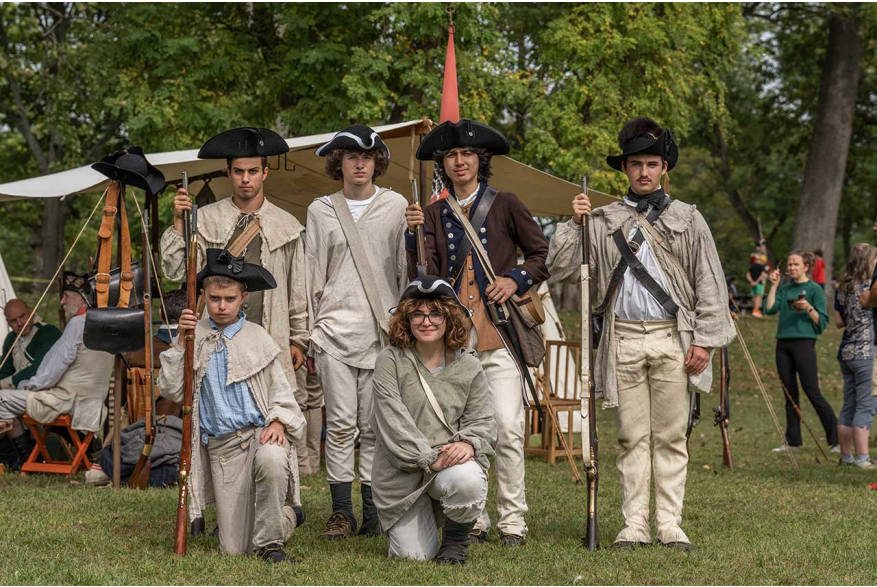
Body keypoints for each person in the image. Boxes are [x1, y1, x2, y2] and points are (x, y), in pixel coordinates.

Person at [547, 117, 735, 550]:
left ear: (664, 167)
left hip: (674, 338)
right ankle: (634, 526)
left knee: (671, 436)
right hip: (623, 339)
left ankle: (669, 525)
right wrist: (572, 225)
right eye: (636, 164)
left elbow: (709, 281)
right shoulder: (601, 218)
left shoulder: (688, 218)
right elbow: (561, 270)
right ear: (625, 168)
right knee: (631, 437)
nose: (644, 172)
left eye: (652, 163)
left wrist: (704, 340)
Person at [404, 119, 549, 546]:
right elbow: (424, 273)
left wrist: (515, 280)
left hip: (499, 336)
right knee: (463, 433)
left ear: (480, 160)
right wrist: (412, 234)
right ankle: (475, 517)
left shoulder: (506, 203)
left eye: (467, 154)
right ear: (443, 164)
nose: (459, 161)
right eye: (451, 155)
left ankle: (513, 521)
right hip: (454, 343)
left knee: (505, 426)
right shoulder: (432, 213)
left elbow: (540, 254)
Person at [160, 127, 314, 490]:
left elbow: (297, 288)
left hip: (267, 337)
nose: (246, 179)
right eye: (239, 171)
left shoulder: (286, 226)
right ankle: (204, 498)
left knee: (272, 416)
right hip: (214, 336)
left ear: (265, 172)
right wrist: (180, 224)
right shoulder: (206, 219)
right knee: (212, 419)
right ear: (229, 173)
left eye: (253, 171)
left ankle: (281, 497)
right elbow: (173, 270)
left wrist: (299, 339)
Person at [157, 248, 306, 563]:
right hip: (222, 450)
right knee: (235, 549)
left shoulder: (258, 338)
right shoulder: (193, 334)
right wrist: (182, 342)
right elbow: (170, 390)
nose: (221, 306)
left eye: (229, 299)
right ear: (204, 298)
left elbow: (282, 395)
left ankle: (272, 546)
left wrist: (278, 422)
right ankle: (289, 516)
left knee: (272, 459)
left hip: (258, 435)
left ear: (243, 298)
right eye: (214, 298)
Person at [306, 125, 408, 538]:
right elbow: (312, 274)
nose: (360, 163)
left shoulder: (398, 205)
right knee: (342, 424)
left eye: (367, 156)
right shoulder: (320, 209)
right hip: (333, 331)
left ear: (377, 161)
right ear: (339, 163)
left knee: (373, 426)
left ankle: (372, 512)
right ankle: (341, 512)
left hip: (382, 333)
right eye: (351, 156)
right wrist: (309, 333)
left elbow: (405, 270)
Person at [371, 276, 496, 564]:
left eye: (436, 312)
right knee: (413, 557)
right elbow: (392, 421)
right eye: (417, 313)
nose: (426, 321)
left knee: (467, 478)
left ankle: (455, 544)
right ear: (406, 319)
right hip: (402, 475)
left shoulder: (470, 365)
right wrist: (427, 458)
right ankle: (402, 519)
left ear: (450, 317)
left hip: (447, 466)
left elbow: (483, 420)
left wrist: (469, 444)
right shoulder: (389, 360)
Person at [0, 273, 114, 467]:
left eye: (66, 297)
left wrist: (33, 386)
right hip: (89, 402)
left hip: (65, 400)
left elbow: (56, 366)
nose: (62, 302)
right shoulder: (104, 324)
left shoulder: (77, 324)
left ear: (81, 298)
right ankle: (26, 459)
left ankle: (24, 461)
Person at [764, 252, 838, 452]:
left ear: (806, 267)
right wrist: (773, 285)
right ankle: (793, 441)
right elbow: (769, 309)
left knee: (812, 391)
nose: (792, 267)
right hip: (783, 344)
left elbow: (822, 322)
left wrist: (808, 308)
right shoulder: (785, 288)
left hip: (804, 343)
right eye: (790, 264)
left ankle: (837, 439)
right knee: (789, 394)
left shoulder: (814, 289)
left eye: (796, 264)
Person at [833, 243, 876, 469]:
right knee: (866, 404)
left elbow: (839, 321)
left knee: (848, 404)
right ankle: (862, 458)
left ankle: (846, 456)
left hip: (846, 351)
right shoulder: (870, 287)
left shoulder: (843, 287)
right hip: (866, 351)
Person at [0, 299, 62, 390]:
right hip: (20, 391)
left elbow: (38, 370)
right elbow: (5, 371)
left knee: (23, 384)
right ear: (8, 323)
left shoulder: (48, 332)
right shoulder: (12, 338)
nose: (20, 323)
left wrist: (3, 384)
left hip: (47, 390)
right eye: (13, 320)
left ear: (31, 312)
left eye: (22, 316)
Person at [747, 242, 768, 318]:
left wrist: (751, 281)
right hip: (758, 284)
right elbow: (762, 275)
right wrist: (756, 282)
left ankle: (755, 310)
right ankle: (756, 311)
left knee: (755, 297)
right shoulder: (762, 267)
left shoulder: (753, 266)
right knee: (758, 297)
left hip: (753, 284)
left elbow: (748, 274)